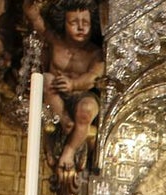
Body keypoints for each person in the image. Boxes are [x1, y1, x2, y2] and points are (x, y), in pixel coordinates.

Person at [24, 0, 105, 184]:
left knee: (86, 110)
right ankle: (66, 121)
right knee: (46, 79)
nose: (80, 28)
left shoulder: (96, 53)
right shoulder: (55, 42)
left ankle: (69, 152)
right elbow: (34, 19)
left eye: (85, 23)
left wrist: (74, 84)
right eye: (74, 23)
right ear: (63, 23)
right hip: (56, 96)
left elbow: (93, 77)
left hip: (83, 94)